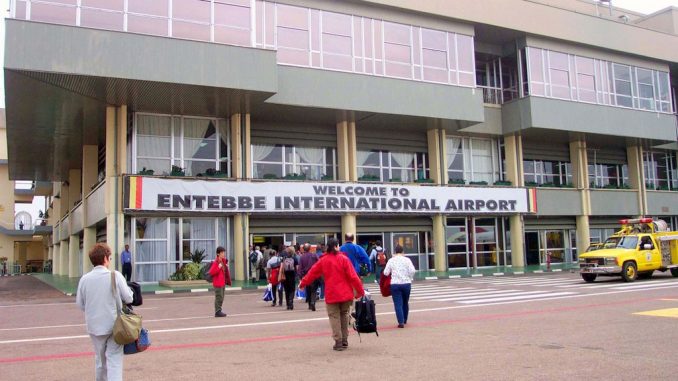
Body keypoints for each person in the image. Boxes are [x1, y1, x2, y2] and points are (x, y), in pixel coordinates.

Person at [76, 243, 134, 381]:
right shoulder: (115, 276)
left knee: (100, 361)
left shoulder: (84, 279)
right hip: (114, 326)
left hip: (94, 327)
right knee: (114, 360)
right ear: (106, 258)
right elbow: (128, 297)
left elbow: (80, 304)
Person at [299, 238, 364, 351]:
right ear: (336, 246)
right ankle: (344, 340)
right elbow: (353, 277)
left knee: (334, 317)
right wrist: (360, 291)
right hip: (345, 293)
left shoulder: (323, 261)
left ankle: (338, 341)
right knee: (344, 315)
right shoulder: (344, 259)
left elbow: (312, 273)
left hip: (332, 293)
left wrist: (303, 283)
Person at [383, 244, 415, 328]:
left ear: (395, 252)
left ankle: (400, 322)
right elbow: (412, 270)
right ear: (402, 251)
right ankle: (405, 319)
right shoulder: (407, 260)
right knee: (405, 302)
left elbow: (385, 272)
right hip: (406, 284)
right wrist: (410, 277)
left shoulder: (391, 260)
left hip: (395, 284)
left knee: (398, 304)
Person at [208, 246, 232, 317]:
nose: (223, 254)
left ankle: (219, 310)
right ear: (218, 254)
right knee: (219, 297)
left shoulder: (223, 261)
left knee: (222, 297)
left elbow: (225, 272)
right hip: (218, 283)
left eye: (224, 252)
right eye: (222, 252)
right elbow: (211, 272)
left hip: (222, 282)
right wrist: (219, 267)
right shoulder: (216, 262)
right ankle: (217, 311)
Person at [298, 243, 319, 311]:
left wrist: (300, 277)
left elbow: (300, 268)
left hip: (306, 275)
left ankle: (310, 304)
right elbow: (319, 263)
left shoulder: (302, 257)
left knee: (308, 289)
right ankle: (313, 302)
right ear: (310, 248)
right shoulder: (314, 255)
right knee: (314, 290)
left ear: (303, 249)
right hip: (314, 274)